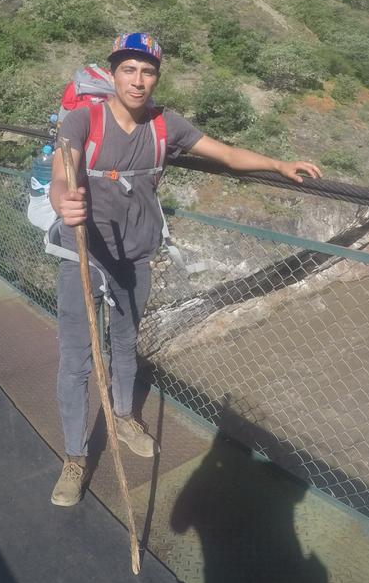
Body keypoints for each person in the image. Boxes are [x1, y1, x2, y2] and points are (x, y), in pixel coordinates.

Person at [47, 32, 323, 506]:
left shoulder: (165, 125)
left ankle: (124, 417)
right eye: (129, 70)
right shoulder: (83, 118)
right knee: (75, 356)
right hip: (84, 252)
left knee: (127, 341)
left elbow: (229, 156)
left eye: (148, 71)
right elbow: (61, 172)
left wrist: (278, 164)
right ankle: (74, 457)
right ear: (113, 74)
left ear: (156, 77)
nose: (138, 80)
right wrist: (62, 201)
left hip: (135, 255)